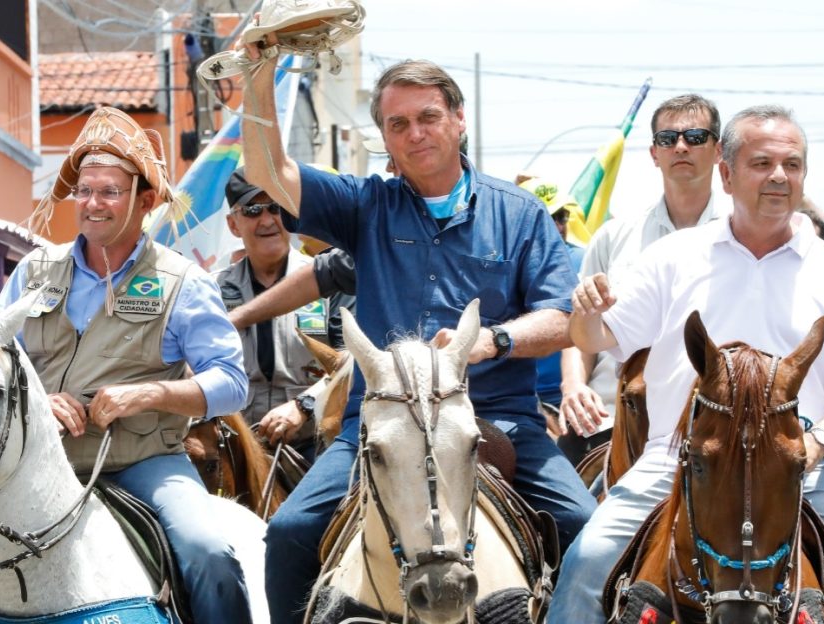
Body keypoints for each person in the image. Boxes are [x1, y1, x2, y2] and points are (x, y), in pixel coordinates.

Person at [239, 45, 597, 622]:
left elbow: (562, 319)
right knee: (288, 532)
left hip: (496, 417)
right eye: (397, 123)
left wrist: (491, 342)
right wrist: (258, 76)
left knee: (585, 528)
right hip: (379, 421)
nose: (415, 133)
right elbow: (268, 174)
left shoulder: (522, 213)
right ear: (385, 137)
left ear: (458, 119)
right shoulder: (365, 205)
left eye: (428, 116)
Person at [550, 105, 824, 624]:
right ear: (726, 174)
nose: (779, 176)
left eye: (792, 165)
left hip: (804, 471)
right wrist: (586, 314)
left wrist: (815, 445)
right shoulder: (672, 257)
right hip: (676, 462)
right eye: (762, 163)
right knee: (584, 564)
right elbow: (599, 337)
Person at [0, 107, 253, 623]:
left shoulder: (183, 282)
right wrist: (38, 399)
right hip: (37, 466)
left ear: (145, 201)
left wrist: (149, 394)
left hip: (145, 462)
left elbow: (232, 383)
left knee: (208, 551)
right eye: (84, 191)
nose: (92, 203)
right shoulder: (34, 270)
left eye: (109, 192)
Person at [555, 94, 728, 464]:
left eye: (695, 137)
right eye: (668, 138)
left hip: (717, 427)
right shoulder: (613, 237)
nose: (680, 146)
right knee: (563, 501)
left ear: (718, 151)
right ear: (654, 153)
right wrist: (573, 386)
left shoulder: (743, 237)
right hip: (611, 422)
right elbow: (579, 329)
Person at [217, 168, 338, 461]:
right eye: (253, 210)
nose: (267, 220)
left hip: (314, 443)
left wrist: (304, 406)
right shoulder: (211, 289)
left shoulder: (331, 280)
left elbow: (351, 366)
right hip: (234, 448)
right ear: (233, 224)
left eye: (276, 207)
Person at [516, 178, 585, 419]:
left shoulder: (585, 260)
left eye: (561, 216)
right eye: (547, 217)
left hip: (572, 395)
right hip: (517, 395)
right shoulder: (504, 264)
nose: (556, 225)